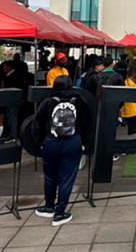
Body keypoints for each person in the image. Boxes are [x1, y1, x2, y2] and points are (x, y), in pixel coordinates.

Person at [32, 75, 92, 226]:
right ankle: (60, 212)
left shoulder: (47, 102)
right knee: (67, 178)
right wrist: (84, 142)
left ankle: (49, 206)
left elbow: (37, 123)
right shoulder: (80, 102)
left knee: (50, 176)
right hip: (73, 142)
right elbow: (87, 124)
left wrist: (40, 142)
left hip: (51, 142)